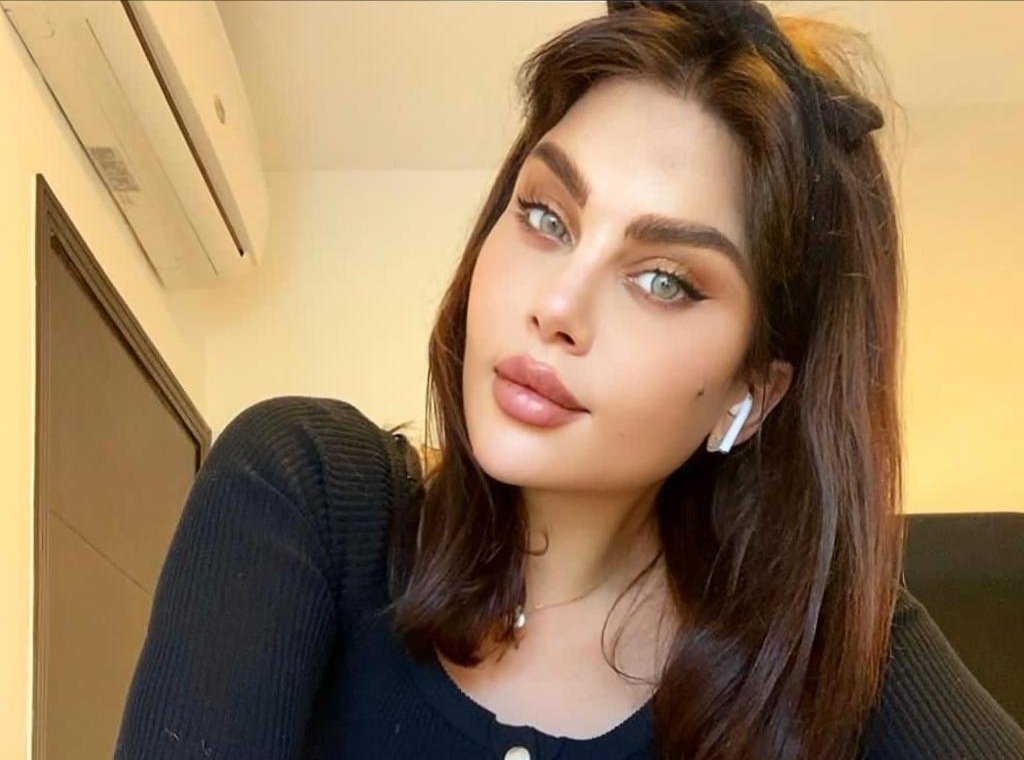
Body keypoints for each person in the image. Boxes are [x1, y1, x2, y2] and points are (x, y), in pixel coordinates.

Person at [114, 2, 1024, 759]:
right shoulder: (307, 492)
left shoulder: (816, 657)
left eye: (662, 280)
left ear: (753, 394)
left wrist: (838, 613)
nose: (557, 304)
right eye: (546, 216)